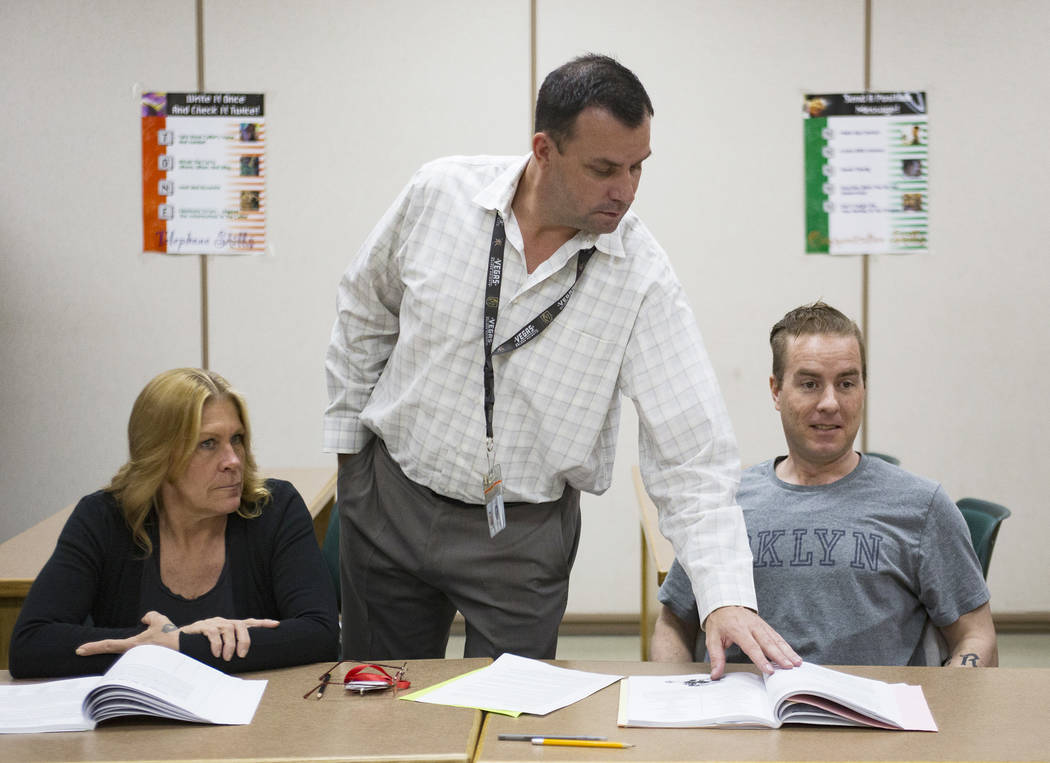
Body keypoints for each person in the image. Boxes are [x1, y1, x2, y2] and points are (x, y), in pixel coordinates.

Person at [324, 53, 799, 676]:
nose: (625, 190)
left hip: (519, 539)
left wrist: (725, 596)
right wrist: (350, 459)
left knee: (504, 725)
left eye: (638, 167)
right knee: (377, 710)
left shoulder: (641, 276)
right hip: (392, 499)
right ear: (544, 150)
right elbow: (365, 310)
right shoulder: (439, 194)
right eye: (604, 168)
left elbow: (691, 452)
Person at [652, 302, 998, 667]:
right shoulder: (725, 504)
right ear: (776, 391)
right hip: (747, 719)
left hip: (871, 719)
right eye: (809, 384)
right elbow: (674, 623)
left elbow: (976, 635)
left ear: (863, 388)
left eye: (846, 383)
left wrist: (946, 705)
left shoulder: (921, 506)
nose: (830, 403)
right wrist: (678, 701)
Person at [9, 368, 339, 678]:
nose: (233, 461)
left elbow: (320, 634)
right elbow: (31, 646)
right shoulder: (105, 518)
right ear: (160, 456)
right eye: (208, 444)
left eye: (236, 439)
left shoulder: (272, 509)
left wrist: (178, 645)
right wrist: (165, 644)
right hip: (136, 729)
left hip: (256, 721)